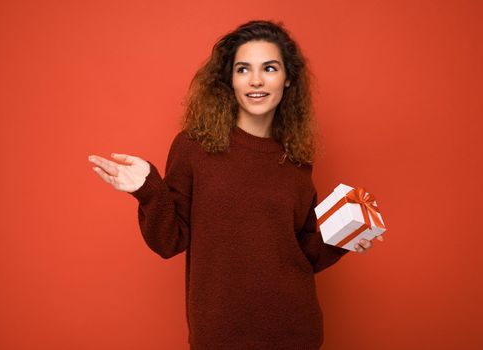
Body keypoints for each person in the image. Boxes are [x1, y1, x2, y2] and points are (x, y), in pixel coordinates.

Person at [88, 19, 383, 350]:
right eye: (243, 69)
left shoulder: (297, 160)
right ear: (228, 80)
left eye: (269, 68)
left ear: (287, 80)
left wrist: (344, 238)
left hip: (296, 332)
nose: (256, 80)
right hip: (220, 336)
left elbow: (300, 254)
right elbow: (169, 242)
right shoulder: (194, 147)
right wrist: (148, 189)